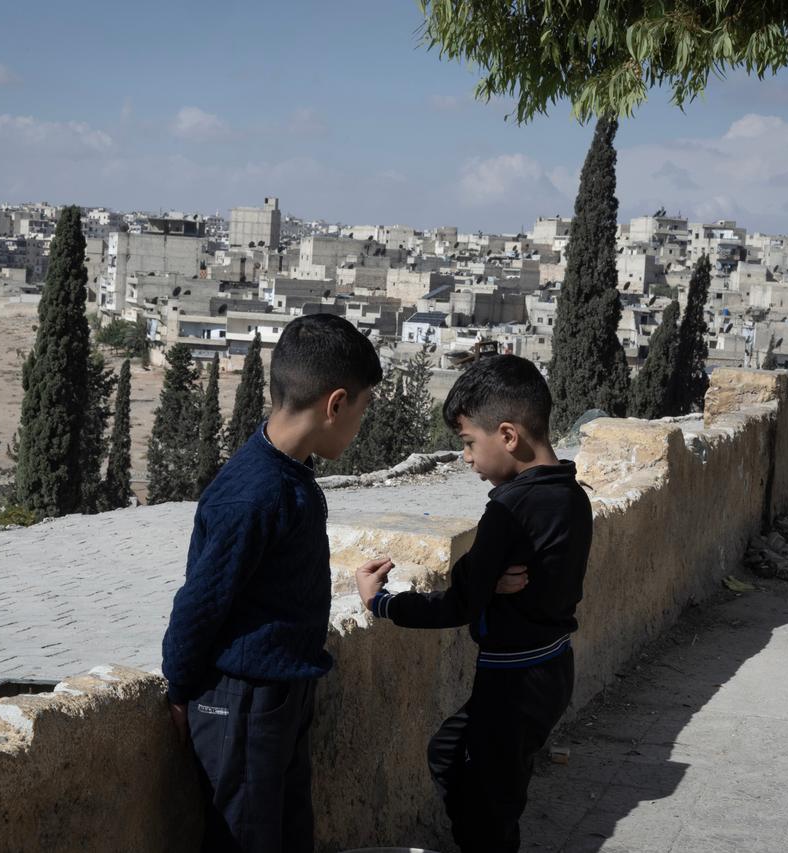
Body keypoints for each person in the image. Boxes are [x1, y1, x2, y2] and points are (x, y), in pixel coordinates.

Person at [161, 313, 387, 853]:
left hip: (280, 696)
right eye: (361, 410)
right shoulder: (255, 493)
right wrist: (179, 693)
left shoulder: (289, 474)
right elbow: (200, 602)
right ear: (335, 404)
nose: (359, 427)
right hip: (239, 704)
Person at [356, 354, 594, 853]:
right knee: (457, 759)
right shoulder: (571, 493)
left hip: (513, 681)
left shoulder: (507, 511)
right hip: (550, 669)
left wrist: (383, 605)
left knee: (490, 813)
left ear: (508, 435)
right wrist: (487, 582)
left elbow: (459, 603)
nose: (466, 458)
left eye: (468, 443)